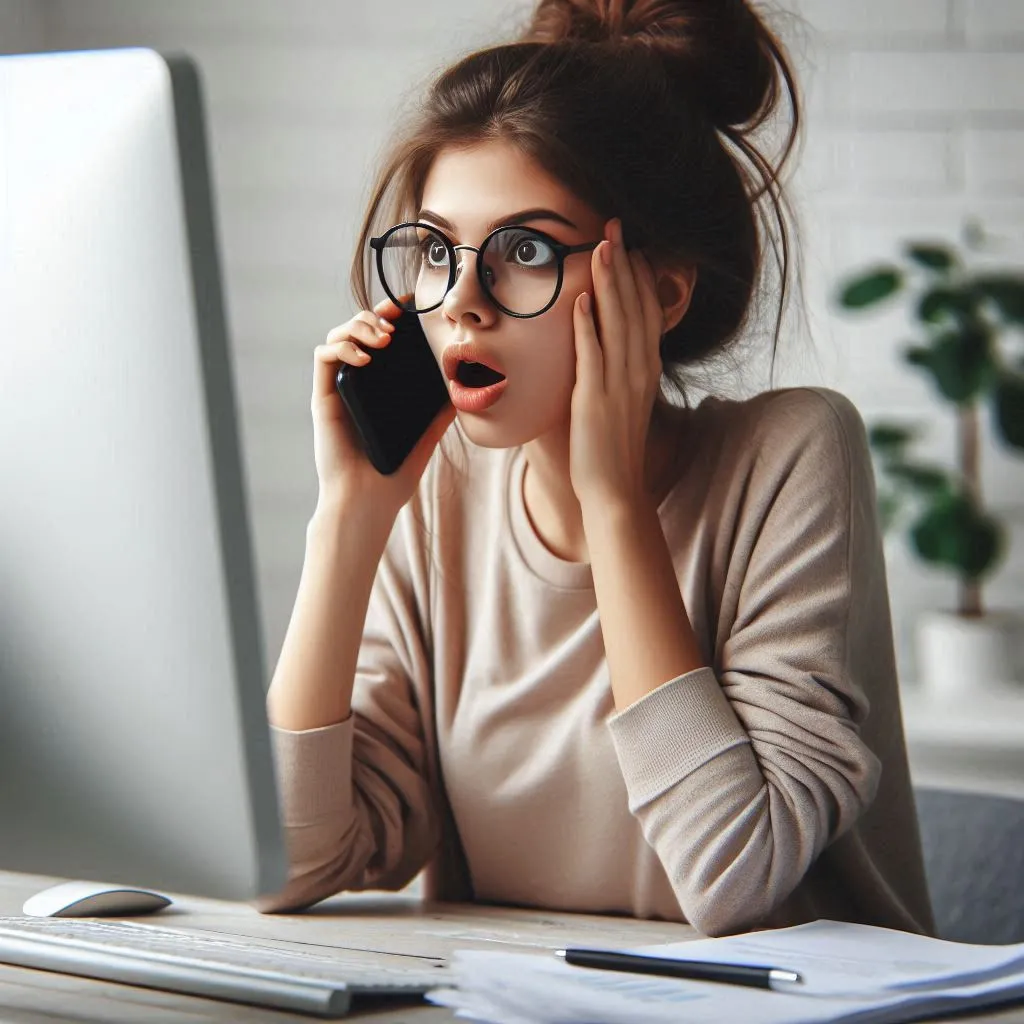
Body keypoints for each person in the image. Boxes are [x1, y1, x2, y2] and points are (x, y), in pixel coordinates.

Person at [258, 0, 935, 938]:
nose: (462, 303)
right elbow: (285, 864)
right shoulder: (435, 492)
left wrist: (611, 499)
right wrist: (348, 522)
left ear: (655, 295)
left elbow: (734, 876)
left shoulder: (790, 456)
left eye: (524, 251)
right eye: (439, 251)